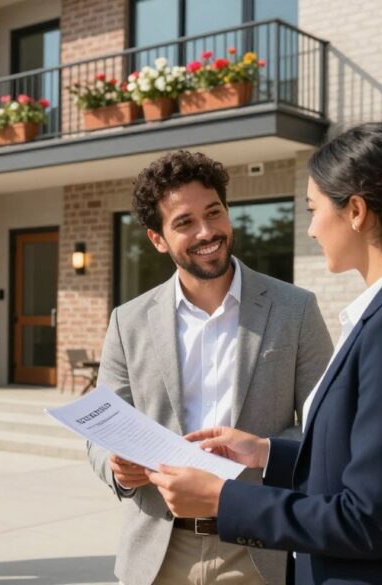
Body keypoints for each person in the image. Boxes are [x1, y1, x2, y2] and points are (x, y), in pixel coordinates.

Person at [146, 123, 382, 585]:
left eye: (313, 209)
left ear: (356, 211)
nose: (312, 228)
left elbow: (367, 520)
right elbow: (364, 463)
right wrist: (265, 454)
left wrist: (223, 499)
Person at [88, 150, 334, 585]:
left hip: (256, 547)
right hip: (157, 552)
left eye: (214, 213)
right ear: (158, 239)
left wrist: (261, 448)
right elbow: (103, 427)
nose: (207, 232)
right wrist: (115, 465)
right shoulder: (128, 321)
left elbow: (326, 429)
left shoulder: (295, 309)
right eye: (184, 222)